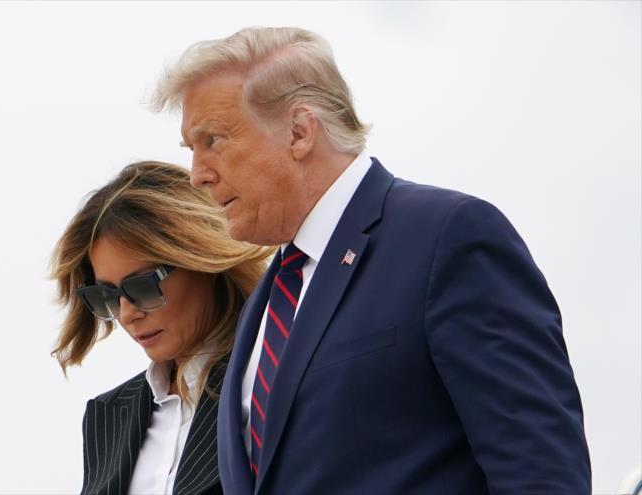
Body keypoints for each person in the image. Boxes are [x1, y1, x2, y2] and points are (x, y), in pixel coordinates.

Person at [151, 27, 591, 494]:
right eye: (191, 150)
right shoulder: (266, 299)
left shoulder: (448, 236)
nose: (197, 175)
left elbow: (540, 472)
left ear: (300, 131)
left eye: (213, 140)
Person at [50, 161, 273, 495]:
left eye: (141, 287)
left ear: (200, 260)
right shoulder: (108, 415)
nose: (127, 315)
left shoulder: (269, 383)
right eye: (106, 296)